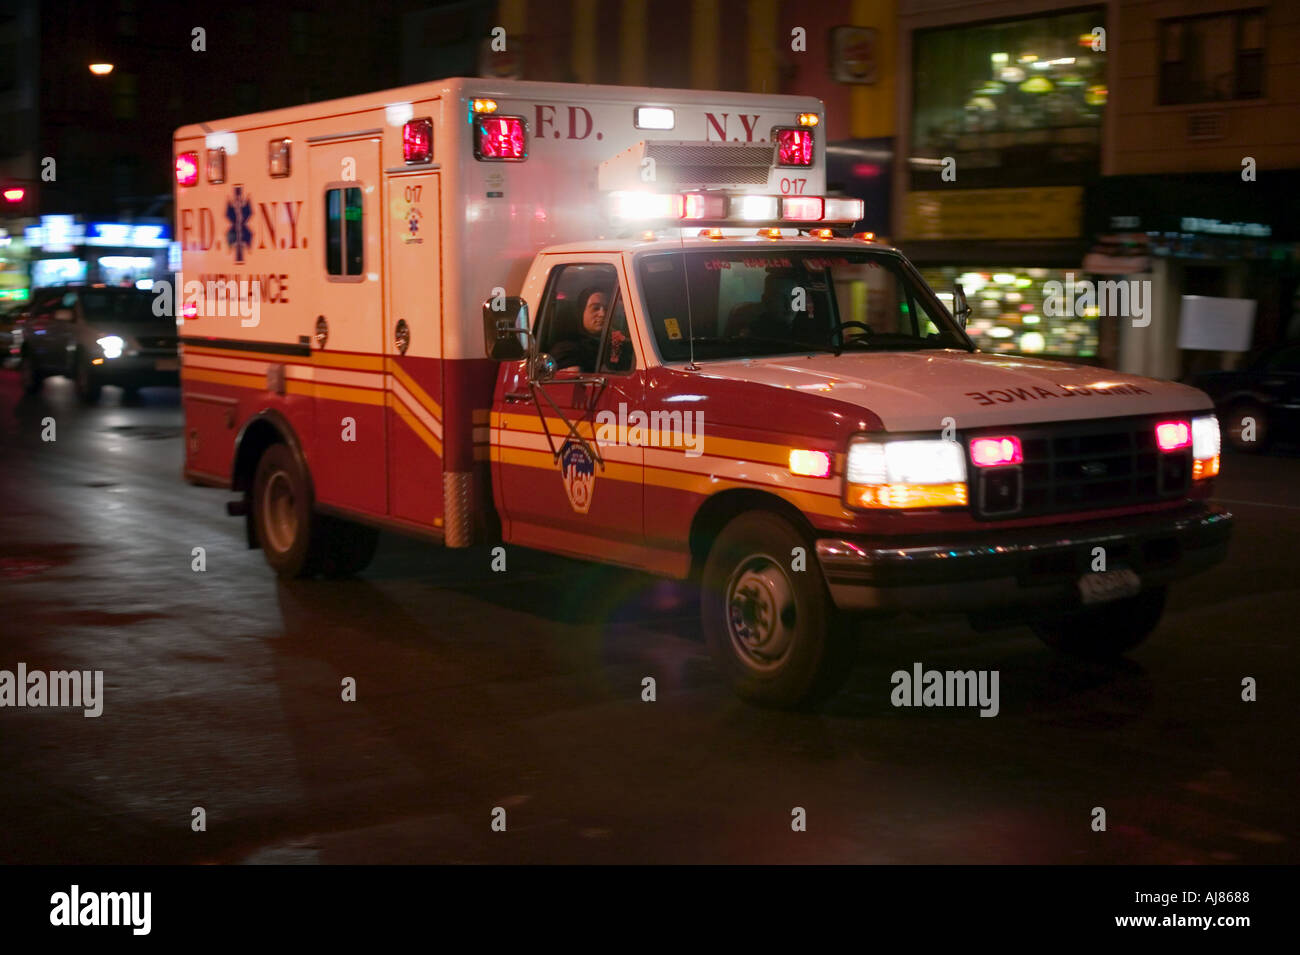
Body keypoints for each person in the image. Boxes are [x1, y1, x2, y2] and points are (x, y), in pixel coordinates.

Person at [551, 286, 633, 373]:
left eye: (606, 308)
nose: (602, 314)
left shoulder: (615, 344)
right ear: (581, 312)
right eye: (595, 308)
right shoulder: (566, 350)